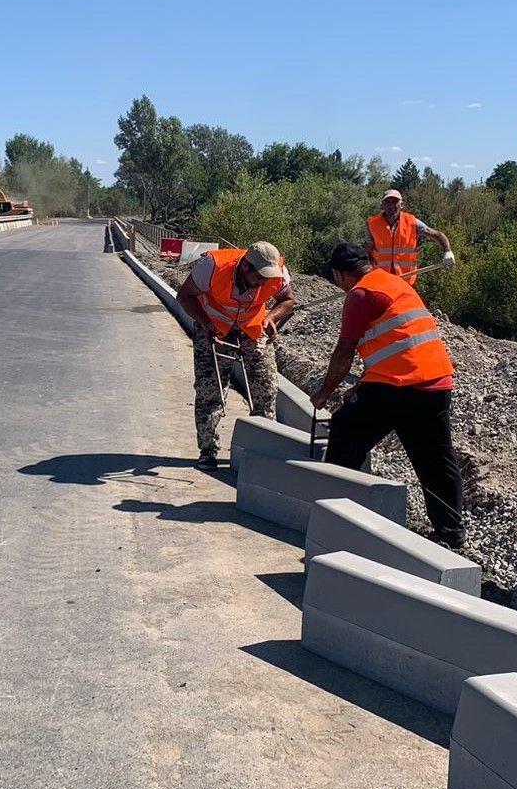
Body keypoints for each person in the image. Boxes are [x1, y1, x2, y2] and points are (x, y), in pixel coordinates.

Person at [308, 243, 466, 548]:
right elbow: (398, 344)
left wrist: (324, 393)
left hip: (399, 386)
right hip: (435, 382)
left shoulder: (360, 294)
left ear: (340, 275)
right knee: (435, 459)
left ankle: (333, 518)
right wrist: (364, 385)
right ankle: (451, 534)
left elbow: (344, 352)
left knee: (344, 433)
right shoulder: (393, 282)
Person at [177, 241, 295, 469]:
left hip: (252, 328)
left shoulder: (277, 273)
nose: (263, 282)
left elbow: (288, 300)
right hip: (213, 326)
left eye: (267, 277)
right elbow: (185, 296)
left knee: (265, 388)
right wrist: (205, 323)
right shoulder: (213, 266)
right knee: (209, 389)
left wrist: (271, 318)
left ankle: (259, 450)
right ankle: (207, 450)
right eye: (259, 276)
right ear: (245, 267)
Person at [365, 189, 455, 277]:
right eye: (387, 202)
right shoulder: (372, 224)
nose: (391, 205)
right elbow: (367, 251)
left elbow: (438, 235)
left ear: (402, 205)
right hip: (382, 278)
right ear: (382, 205)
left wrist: (448, 251)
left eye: (395, 201)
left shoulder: (412, 222)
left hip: (406, 277)